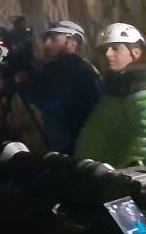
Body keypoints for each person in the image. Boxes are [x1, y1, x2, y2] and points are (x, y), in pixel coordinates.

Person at [16, 20, 101, 154]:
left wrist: (24, 85)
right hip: (63, 141)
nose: (47, 43)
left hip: (75, 144)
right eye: (46, 38)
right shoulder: (60, 68)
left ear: (72, 41)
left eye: (53, 39)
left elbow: (53, 102)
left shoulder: (76, 69)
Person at [74, 23, 146, 168]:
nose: (108, 54)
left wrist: (128, 172)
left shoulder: (141, 86)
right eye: (104, 50)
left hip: (124, 181)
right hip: (101, 174)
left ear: (136, 53)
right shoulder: (116, 86)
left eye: (115, 48)